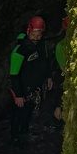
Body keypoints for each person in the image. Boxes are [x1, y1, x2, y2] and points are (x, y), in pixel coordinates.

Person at [9, 15, 53, 145]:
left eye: (39, 33)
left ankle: (24, 134)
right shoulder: (20, 50)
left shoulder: (41, 45)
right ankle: (15, 138)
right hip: (22, 88)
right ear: (29, 31)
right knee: (18, 114)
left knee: (28, 112)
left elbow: (44, 62)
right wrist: (18, 95)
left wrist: (48, 76)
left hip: (33, 88)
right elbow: (14, 74)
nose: (37, 36)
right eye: (34, 33)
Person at [51, 15, 69, 128]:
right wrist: (57, 105)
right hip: (64, 85)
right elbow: (62, 75)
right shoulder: (61, 46)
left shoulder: (61, 46)